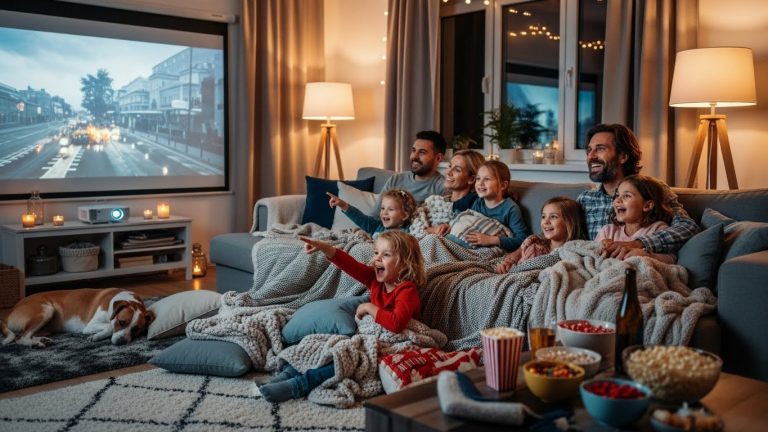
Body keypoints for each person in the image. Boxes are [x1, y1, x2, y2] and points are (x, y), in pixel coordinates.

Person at [258, 231, 426, 402]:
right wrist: (322, 247)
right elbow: (350, 265)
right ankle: (287, 373)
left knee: (343, 359)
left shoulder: (407, 291)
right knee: (320, 346)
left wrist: (369, 307)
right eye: (376, 253)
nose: (377, 259)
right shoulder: (376, 280)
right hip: (368, 336)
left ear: (405, 264)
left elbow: (397, 324)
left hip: (391, 343)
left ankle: (297, 385)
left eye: (386, 255)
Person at [576, 124, 698, 259]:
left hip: (638, 265)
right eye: (589, 150)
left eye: (600, 149)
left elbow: (688, 227)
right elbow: (573, 243)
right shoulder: (585, 199)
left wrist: (638, 243)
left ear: (623, 156)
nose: (590, 156)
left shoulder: (653, 190)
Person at [595, 175, 677, 264]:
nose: (617, 200)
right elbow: (593, 256)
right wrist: (601, 247)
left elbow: (671, 259)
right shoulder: (608, 231)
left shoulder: (657, 229)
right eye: (617, 195)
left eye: (626, 195)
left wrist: (647, 255)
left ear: (647, 206)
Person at [495, 196, 585, 273]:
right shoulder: (534, 242)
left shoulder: (574, 250)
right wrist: (507, 265)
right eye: (543, 216)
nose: (546, 222)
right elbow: (514, 259)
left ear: (570, 222)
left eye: (553, 217)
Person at [465, 160, 530, 251]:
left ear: (503, 185)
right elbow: (467, 220)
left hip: (493, 251)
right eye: (478, 178)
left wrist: (492, 240)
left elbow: (523, 239)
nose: (480, 183)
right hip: (470, 246)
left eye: (487, 179)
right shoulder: (478, 203)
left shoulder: (510, 208)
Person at [377, 130, 447, 205]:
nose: (414, 156)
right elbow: (374, 214)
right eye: (413, 150)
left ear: (438, 158)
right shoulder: (395, 179)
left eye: (422, 152)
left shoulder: (442, 187)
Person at [426, 149, 486, 236]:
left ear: (472, 179)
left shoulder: (475, 207)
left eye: (457, 170)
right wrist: (432, 230)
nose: (448, 172)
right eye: (450, 166)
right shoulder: (435, 201)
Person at [327, 188, 417, 237]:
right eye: (382, 208)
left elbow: (423, 232)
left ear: (405, 215)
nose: (384, 212)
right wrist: (343, 205)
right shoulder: (377, 226)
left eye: (391, 209)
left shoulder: (408, 232)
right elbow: (360, 218)